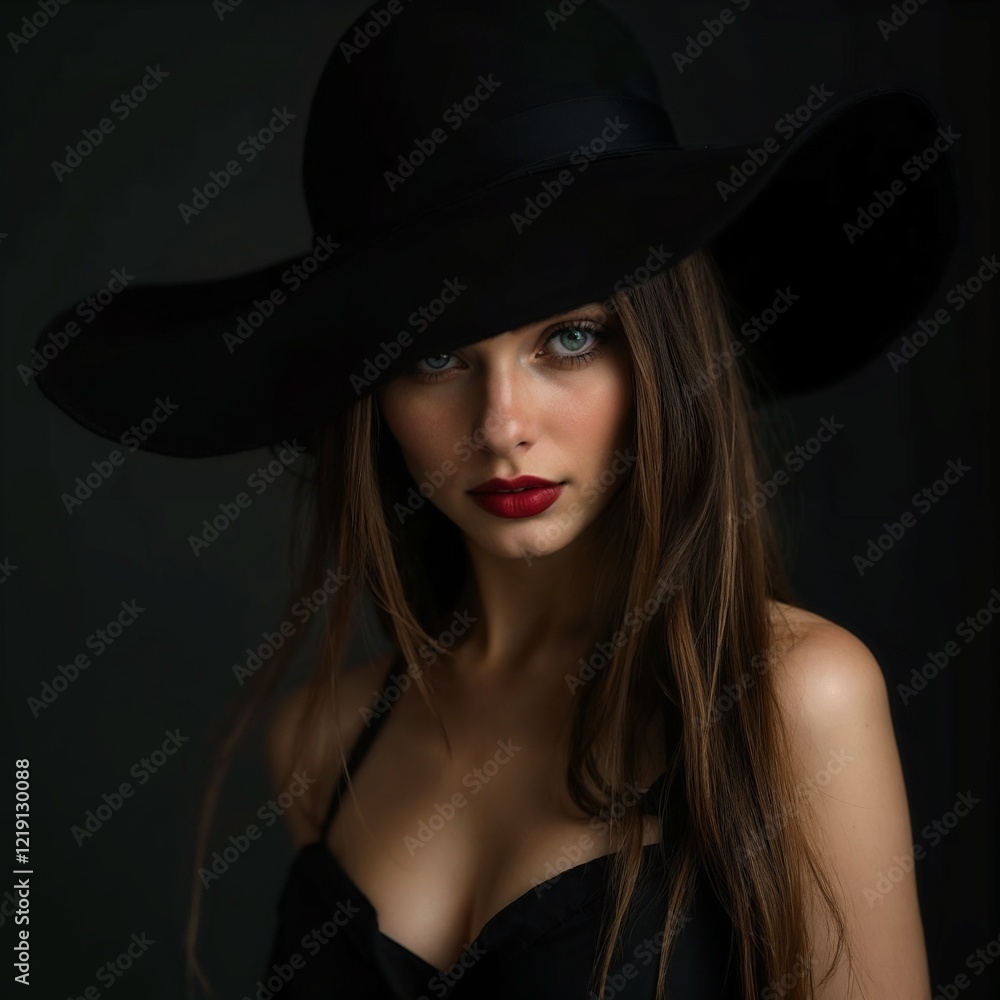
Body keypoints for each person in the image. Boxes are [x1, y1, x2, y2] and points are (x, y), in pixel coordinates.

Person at [29, 2, 958, 998]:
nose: (502, 425)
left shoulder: (791, 700)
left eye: (569, 338)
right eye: (435, 356)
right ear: (373, 394)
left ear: (662, 356)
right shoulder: (322, 741)